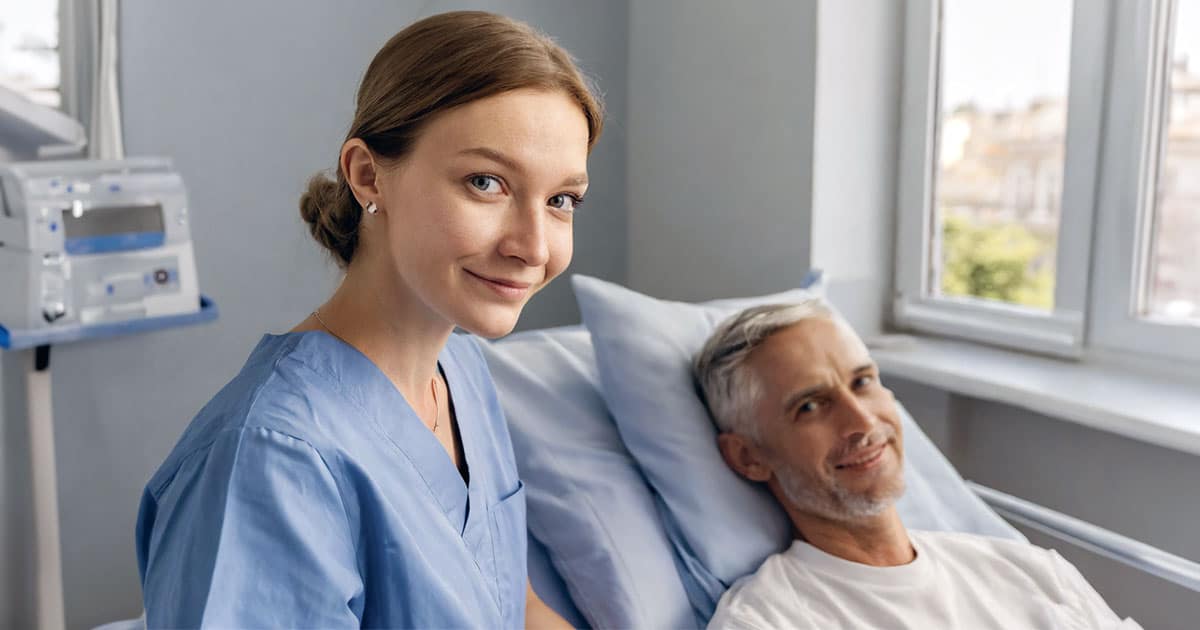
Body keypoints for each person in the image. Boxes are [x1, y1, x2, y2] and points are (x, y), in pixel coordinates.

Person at [135, 11, 602, 629]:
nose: (534, 247)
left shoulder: (459, 373)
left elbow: (512, 607)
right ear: (366, 174)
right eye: (486, 183)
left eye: (560, 200)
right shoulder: (272, 458)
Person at [693, 301, 1142, 629]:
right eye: (810, 406)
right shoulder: (770, 620)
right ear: (749, 457)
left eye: (863, 382)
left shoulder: (1031, 571)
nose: (863, 421)